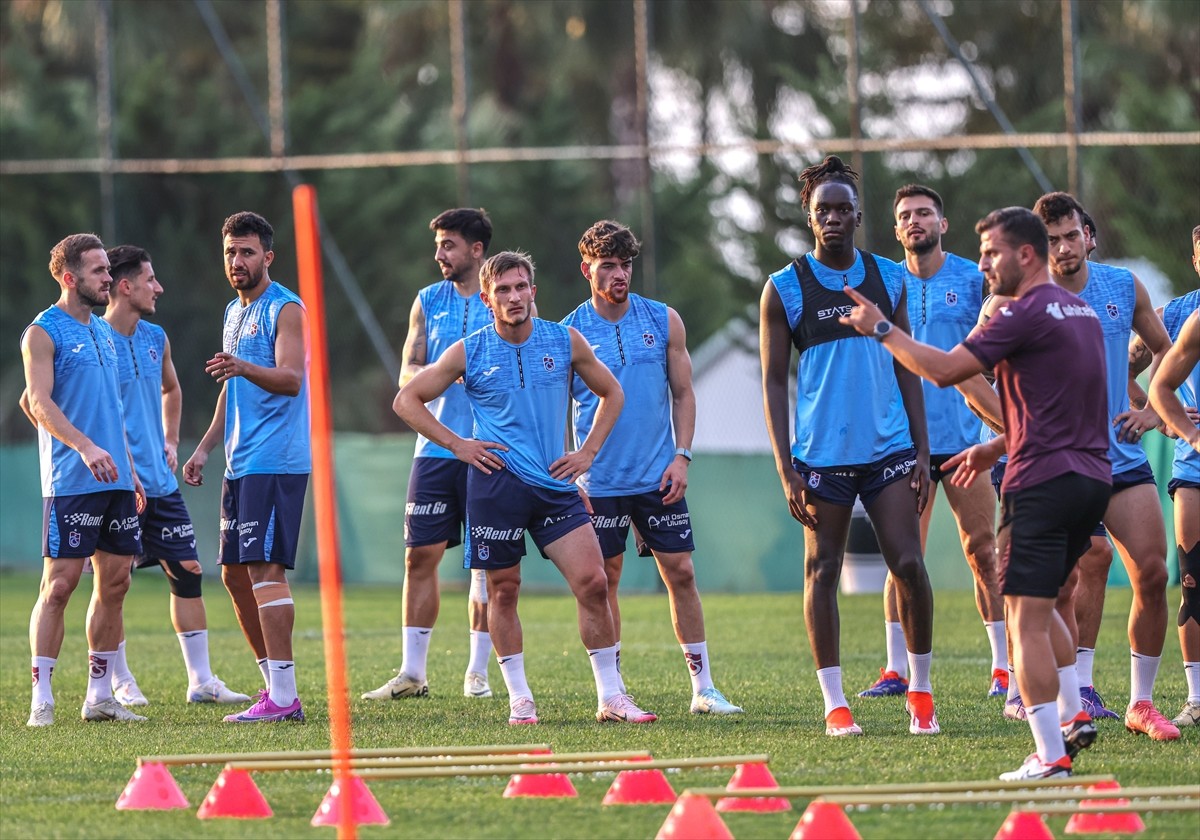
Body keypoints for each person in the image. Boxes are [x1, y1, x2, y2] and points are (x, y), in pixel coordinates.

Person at [841, 205, 1109, 780]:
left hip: (1041, 482)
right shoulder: (1079, 310)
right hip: (1091, 478)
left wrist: (882, 329)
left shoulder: (1019, 312)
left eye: (993, 252)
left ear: (1026, 256)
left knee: (1024, 619)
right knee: (1041, 606)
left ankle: (1050, 756)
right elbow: (1060, 401)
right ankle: (1071, 714)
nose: (983, 263)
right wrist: (994, 447)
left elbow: (942, 371)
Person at [395, 250, 656, 726]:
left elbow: (612, 392)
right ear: (489, 301)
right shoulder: (468, 349)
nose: (514, 297)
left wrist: (587, 453)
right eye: (503, 291)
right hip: (496, 487)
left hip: (555, 486)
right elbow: (406, 399)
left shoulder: (564, 339)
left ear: (533, 292)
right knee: (504, 590)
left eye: (521, 288)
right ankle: (520, 698)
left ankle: (612, 698)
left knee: (594, 583)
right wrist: (458, 444)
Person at [759, 155, 939, 737]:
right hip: (821, 458)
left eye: (842, 209)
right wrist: (786, 468)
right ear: (809, 218)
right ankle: (836, 704)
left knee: (909, 564)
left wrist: (921, 448)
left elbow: (909, 365)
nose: (832, 218)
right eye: (822, 211)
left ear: (858, 216)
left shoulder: (889, 278)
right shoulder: (784, 289)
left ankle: (920, 692)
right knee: (823, 571)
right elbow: (771, 381)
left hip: (888, 451)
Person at [562, 220, 742, 715]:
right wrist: (572, 474)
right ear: (587, 270)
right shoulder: (568, 332)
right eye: (608, 266)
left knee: (681, 573)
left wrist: (682, 456)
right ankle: (614, 692)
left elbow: (683, 393)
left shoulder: (663, 319)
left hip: (659, 475)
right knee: (605, 581)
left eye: (625, 265)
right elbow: (559, 411)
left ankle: (704, 689)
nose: (620, 274)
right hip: (599, 483)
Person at [1033, 192, 1179, 740]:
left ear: (1087, 235)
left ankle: (1142, 703)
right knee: (1063, 581)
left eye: (1072, 235)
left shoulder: (1123, 286)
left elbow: (1166, 351)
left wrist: (1148, 411)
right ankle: (1070, 699)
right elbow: (985, 373)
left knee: (1154, 572)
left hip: (1119, 457)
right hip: (1059, 462)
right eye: (1052, 240)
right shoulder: (1022, 297)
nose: (1066, 247)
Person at [859, 185, 1006, 701]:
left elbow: (995, 353)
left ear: (943, 224)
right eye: (905, 216)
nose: (915, 221)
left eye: (925, 213)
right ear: (896, 229)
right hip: (902, 445)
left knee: (983, 551)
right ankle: (896, 669)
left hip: (967, 441)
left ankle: (1003, 668)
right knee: (904, 556)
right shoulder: (883, 281)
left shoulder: (972, 279)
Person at [102, 245, 254, 705]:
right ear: (125, 286)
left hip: (161, 484)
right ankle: (117, 677)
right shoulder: (95, 340)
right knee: (114, 582)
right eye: (150, 280)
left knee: (188, 571)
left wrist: (170, 440)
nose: (159, 287)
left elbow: (171, 386)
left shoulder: (155, 337)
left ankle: (202, 681)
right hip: (118, 486)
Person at [362, 208, 496, 703]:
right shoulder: (427, 301)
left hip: (488, 447)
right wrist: (437, 377)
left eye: (449, 244)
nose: (439, 254)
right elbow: (407, 371)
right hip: (434, 447)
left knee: (486, 563)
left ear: (476, 250)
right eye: (438, 244)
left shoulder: (498, 297)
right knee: (420, 557)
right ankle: (412, 674)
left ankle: (477, 673)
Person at [183, 211, 310, 723]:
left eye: (248, 252)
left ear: (268, 257)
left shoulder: (286, 307)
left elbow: (290, 378)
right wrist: (205, 448)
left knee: (264, 571)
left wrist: (241, 367)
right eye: (231, 252)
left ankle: (283, 697)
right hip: (239, 463)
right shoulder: (232, 313)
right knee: (234, 576)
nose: (238, 261)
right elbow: (232, 393)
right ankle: (274, 690)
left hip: (275, 460)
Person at [22, 233, 147, 726]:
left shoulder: (103, 332)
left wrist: (131, 471)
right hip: (72, 480)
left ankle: (100, 698)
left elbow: (113, 411)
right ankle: (42, 699)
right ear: (70, 278)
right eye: (98, 271)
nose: (109, 279)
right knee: (60, 585)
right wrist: (82, 446)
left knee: (116, 582)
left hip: (116, 480)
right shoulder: (42, 332)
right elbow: (36, 402)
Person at [1145, 233, 1200, 726]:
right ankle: (1197, 698)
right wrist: (1168, 420)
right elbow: (1148, 376)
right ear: (1196, 260)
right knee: (1193, 579)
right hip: (1194, 467)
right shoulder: (1185, 314)